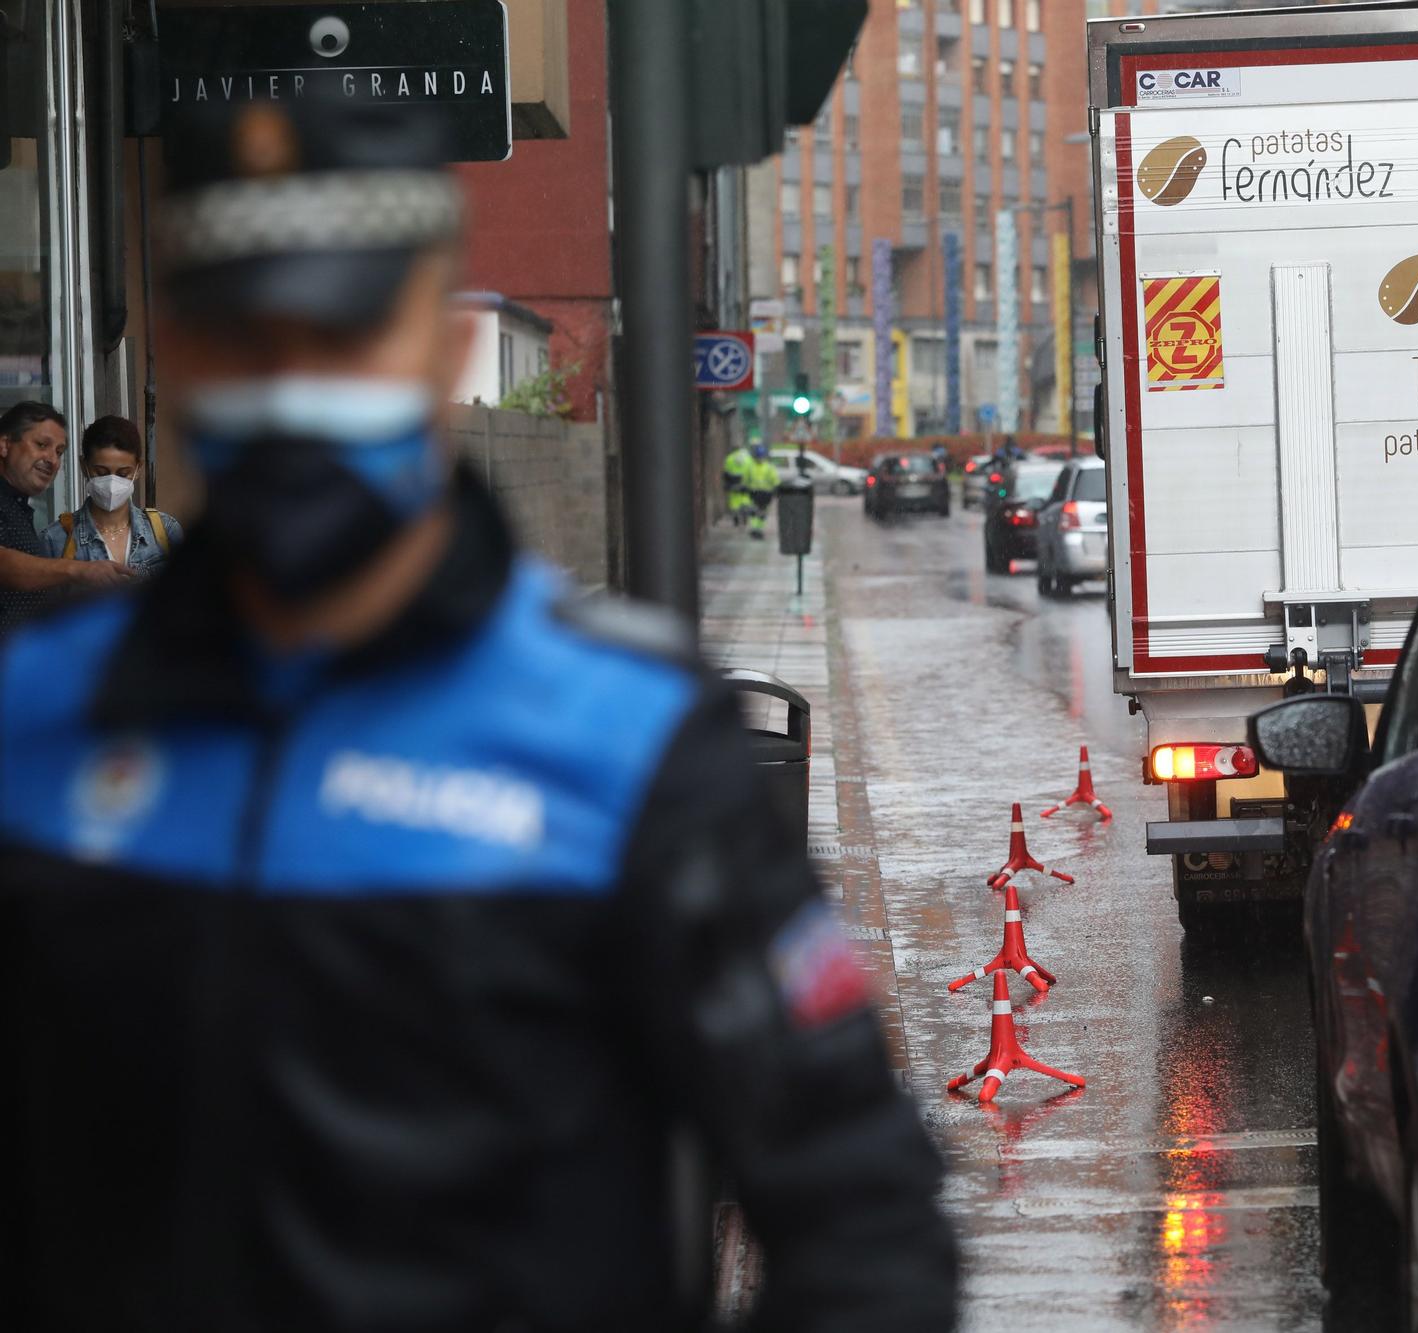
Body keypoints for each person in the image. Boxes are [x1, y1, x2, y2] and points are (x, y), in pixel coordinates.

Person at [0, 97, 955, 1333]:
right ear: (174, 354)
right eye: (243, 332)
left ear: (441, 347)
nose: (293, 379)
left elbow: (863, 1219)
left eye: (345, 329)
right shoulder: (38, 723)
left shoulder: (626, 739)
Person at [0, 402, 138, 636]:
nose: (52, 460)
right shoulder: (55, 536)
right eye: (41, 445)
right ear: (4, 445)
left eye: (59, 452)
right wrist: (79, 570)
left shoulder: (19, 508)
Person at [44, 415, 183, 575]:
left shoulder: (166, 532)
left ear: (138, 469)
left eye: (123, 474)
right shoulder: (55, 539)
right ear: (84, 466)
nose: (111, 482)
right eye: (101, 472)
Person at [746, 442, 781, 540]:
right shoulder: (767, 467)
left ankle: (757, 529)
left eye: (760, 456)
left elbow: (775, 480)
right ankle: (756, 529)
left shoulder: (755, 466)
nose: (759, 458)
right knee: (757, 512)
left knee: (759, 512)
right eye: (758, 456)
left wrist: (776, 488)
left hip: (762, 493)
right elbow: (775, 480)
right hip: (759, 493)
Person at [723, 438, 754, 528]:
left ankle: (736, 519)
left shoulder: (729, 458)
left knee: (734, 502)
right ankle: (745, 518)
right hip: (745, 484)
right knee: (745, 500)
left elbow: (726, 472)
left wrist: (727, 483)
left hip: (733, 484)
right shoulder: (748, 458)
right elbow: (751, 472)